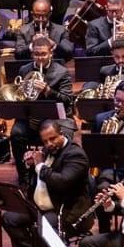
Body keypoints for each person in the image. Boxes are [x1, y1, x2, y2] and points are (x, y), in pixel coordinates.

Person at [1, 119, 90, 247]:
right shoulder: (47, 152)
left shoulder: (75, 155)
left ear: (62, 134)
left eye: (53, 139)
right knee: (9, 218)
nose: (49, 144)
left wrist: (40, 166)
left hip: (66, 210)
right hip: (41, 205)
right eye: (45, 141)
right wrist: (30, 166)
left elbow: (63, 182)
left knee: (43, 228)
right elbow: (35, 184)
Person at [7, 34, 73, 169]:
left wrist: (48, 90)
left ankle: (58, 169)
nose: (40, 58)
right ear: (32, 54)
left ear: (51, 53)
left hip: (55, 118)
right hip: (31, 118)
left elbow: (67, 100)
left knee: (64, 134)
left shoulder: (62, 72)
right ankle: (23, 174)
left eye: (43, 54)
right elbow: (20, 94)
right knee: (16, 133)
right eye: (36, 54)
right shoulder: (25, 69)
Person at [7, 0, 74, 58]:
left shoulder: (61, 30)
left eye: (44, 16)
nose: (40, 19)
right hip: (32, 69)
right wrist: (32, 45)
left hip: (55, 69)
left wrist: (53, 44)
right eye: (37, 16)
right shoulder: (23, 30)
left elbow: (69, 52)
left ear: (49, 14)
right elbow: (18, 55)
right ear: (32, 14)